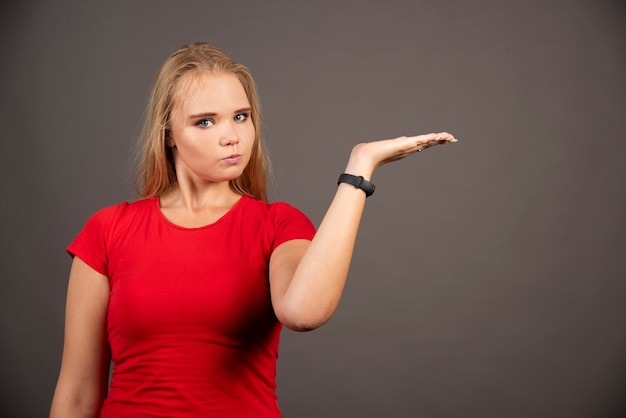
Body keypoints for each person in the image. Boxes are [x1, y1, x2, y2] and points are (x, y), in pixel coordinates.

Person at [49, 42, 457, 417]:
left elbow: (303, 313)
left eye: (241, 117)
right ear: (168, 134)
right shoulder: (108, 229)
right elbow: (78, 392)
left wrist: (359, 169)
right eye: (205, 122)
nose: (232, 136)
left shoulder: (277, 224)